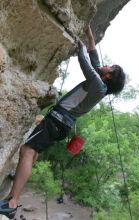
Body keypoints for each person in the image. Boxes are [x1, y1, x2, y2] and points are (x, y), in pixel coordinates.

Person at [0, 25, 126, 219]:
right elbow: (94, 60)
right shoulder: (100, 86)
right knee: (32, 153)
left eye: (111, 66)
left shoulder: (99, 86)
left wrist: (78, 45)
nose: (107, 64)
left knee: (27, 150)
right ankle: (11, 198)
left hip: (57, 121)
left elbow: (86, 63)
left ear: (109, 76)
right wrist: (89, 37)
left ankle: (12, 202)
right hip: (61, 124)